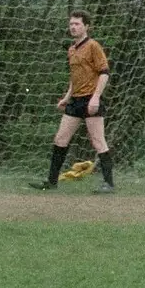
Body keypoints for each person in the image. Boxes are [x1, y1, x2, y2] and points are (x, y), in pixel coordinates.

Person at [30, 11, 115, 194]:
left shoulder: (93, 46)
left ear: (86, 27)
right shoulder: (72, 49)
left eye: (77, 24)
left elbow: (104, 73)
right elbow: (75, 78)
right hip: (75, 101)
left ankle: (109, 183)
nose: (73, 27)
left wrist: (95, 98)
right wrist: (67, 97)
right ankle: (51, 182)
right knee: (60, 139)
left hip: (91, 99)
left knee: (98, 141)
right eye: (71, 24)